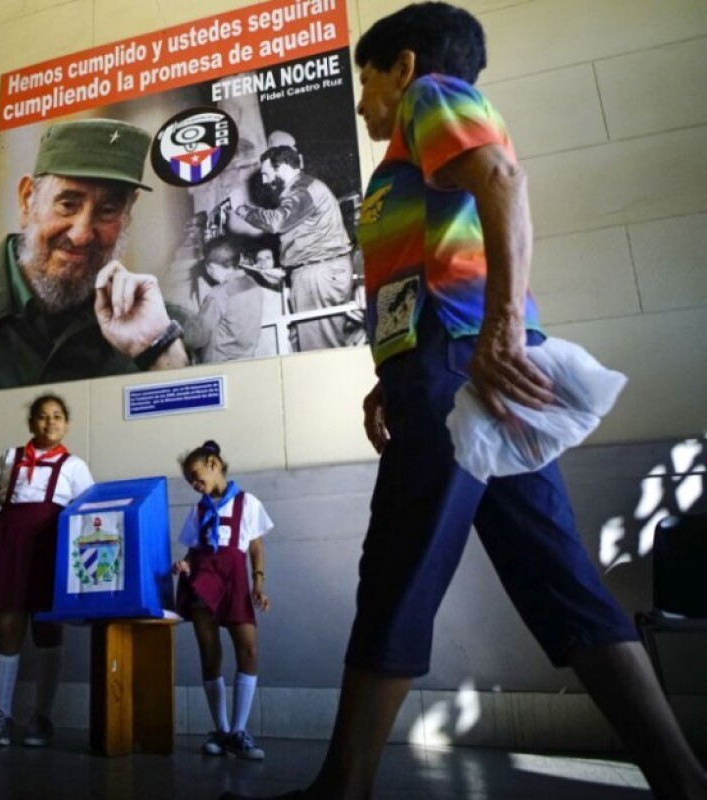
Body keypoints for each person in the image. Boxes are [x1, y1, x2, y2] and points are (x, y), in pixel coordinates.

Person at [225, 4, 707, 799]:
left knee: (396, 566)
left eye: (366, 77)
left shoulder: (433, 96)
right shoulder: (407, 152)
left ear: (404, 66)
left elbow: (502, 179)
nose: (360, 99)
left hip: (459, 369)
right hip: (448, 368)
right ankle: (682, 778)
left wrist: (501, 327)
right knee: (560, 579)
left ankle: (342, 787)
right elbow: (433, 260)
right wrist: (393, 370)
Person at [0, 118, 190, 389]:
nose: (81, 235)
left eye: (107, 210)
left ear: (128, 213)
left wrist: (157, 349)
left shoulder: (161, 325)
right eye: (67, 204)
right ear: (27, 200)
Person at [0, 394, 93, 748]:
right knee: (5, 626)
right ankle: (0, 715)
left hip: (50, 553)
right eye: (42, 416)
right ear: (31, 424)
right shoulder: (10, 457)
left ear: (66, 424)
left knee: (47, 630)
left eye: (57, 416)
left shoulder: (76, 467)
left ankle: (43, 716)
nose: (49, 422)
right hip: (8, 548)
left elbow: (90, 516)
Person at [174, 440, 272, 761]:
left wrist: (258, 583)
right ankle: (221, 728)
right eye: (189, 480)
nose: (194, 483)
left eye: (196, 475)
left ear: (214, 464)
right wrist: (185, 564)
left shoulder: (248, 502)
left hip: (235, 581)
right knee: (209, 653)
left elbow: (255, 547)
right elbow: (192, 550)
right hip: (203, 582)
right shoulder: (197, 509)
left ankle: (238, 732)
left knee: (249, 648)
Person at [236, 145, 354, 352]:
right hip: (320, 271)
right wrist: (288, 269)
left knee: (318, 348)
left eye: (266, 174)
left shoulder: (302, 190)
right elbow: (305, 236)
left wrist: (241, 208)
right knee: (312, 342)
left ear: (281, 167)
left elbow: (276, 222)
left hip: (318, 274)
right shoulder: (304, 189)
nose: (264, 181)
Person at [184, 238, 266, 363]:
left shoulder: (218, 295)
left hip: (218, 365)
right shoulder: (253, 285)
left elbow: (196, 340)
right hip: (247, 360)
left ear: (210, 268)